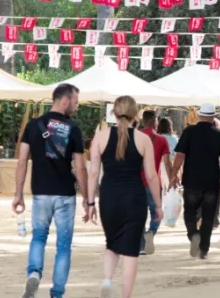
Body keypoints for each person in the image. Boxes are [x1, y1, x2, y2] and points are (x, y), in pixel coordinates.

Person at [13, 84, 88, 298]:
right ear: (65, 100)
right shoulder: (73, 129)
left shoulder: (33, 125)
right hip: (65, 194)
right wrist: (87, 198)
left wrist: (18, 194)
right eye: (75, 102)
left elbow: (22, 161)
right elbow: (80, 167)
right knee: (63, 246)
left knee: (38, 237)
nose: (76, 107)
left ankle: (34, 274)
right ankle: (57, 293)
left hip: (40, 192)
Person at [86, 96, 163, 298]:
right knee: (130, 250)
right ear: (135, 115)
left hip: (109, 197)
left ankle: (107, 280)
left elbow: (93, 173)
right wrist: (158, 204)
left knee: (112, 243)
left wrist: (90, 203)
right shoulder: (143, 139)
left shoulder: (100, 137)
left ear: (113, 112)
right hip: (134, 198)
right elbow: (151, 176)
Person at [169, 103, 220, 260]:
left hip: (191, 180)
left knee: (190, 211)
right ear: (213, 117)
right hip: (211, 182)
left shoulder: (189, 131)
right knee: (208, 216)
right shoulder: (219, 134)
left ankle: (193, 234)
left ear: (199, 115)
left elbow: (180, 155)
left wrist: (173, 174)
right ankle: (204, 250)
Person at [136, 110, 171, 255]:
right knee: (157, 212)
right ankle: (151, 232)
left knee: (138, 215)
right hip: (153, 183)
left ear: (143, 121)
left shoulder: (134, 137)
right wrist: (172, 178)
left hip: (135, 182)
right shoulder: (161, 140)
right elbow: (167, 163)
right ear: (155, 121)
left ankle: (141, 246)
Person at [156, 118, 177, 190]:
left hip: (158, 165)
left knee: (160, 190)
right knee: (171, 190)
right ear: (170, 127)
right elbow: (176, 156)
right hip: (171, 165)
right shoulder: (174, 139)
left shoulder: (156, 138)